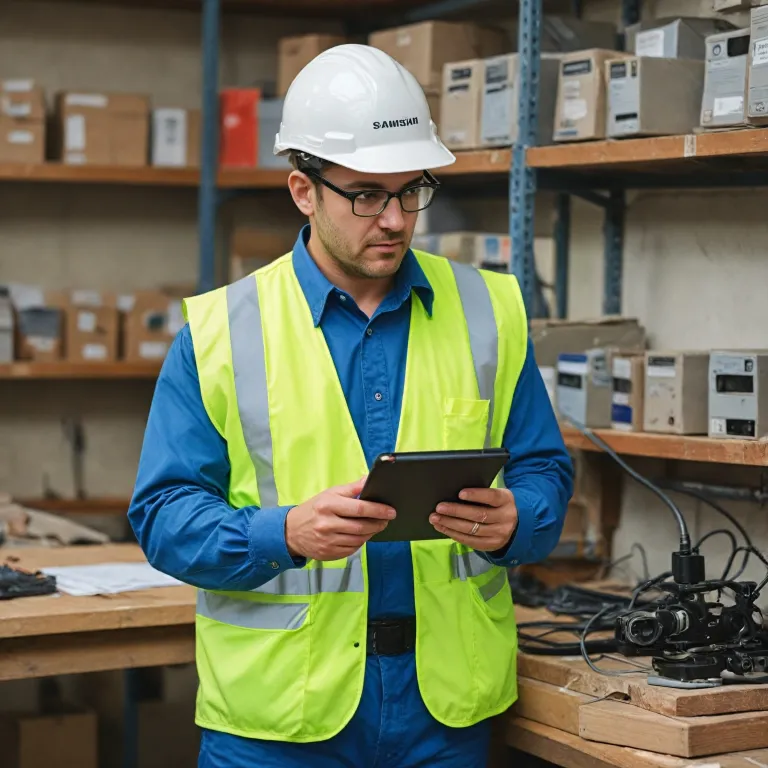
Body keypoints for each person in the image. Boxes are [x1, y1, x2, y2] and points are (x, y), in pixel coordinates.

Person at [129, 44, 573, 768]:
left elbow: (544, 469)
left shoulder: (490, 311)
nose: (395, 219)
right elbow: (163, 516)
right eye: (367, 194)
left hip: (443, 709)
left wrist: (518, 518)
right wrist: (283, 532)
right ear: (303, 189)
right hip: (278, 724)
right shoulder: (221, 332)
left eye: (411, 191)